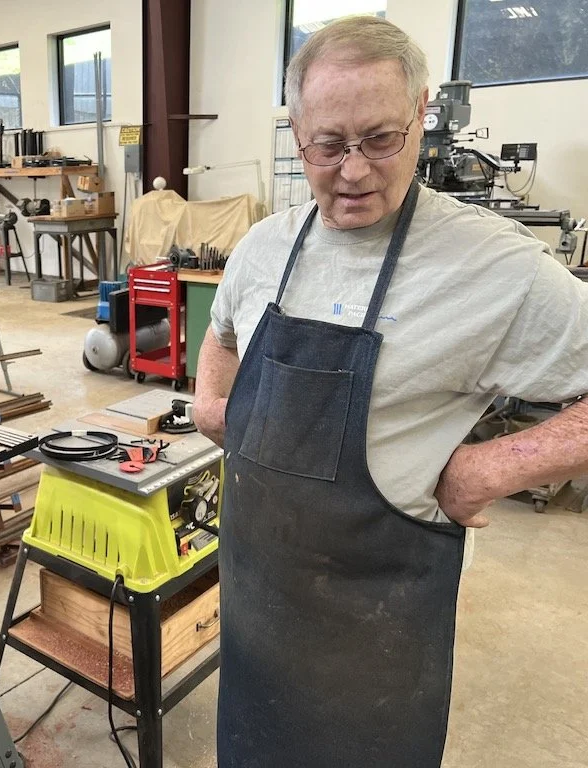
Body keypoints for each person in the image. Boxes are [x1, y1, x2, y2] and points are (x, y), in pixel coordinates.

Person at [193, 15, 588, 768]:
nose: (353, 171)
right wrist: (215, 408)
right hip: (254, 622)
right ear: (297, 133)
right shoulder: (265, 245)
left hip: (377, 646)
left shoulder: (491, 266)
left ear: (421, 114)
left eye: (380, 140)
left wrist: (489, 468)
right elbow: (222, 335)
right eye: (327, 145)